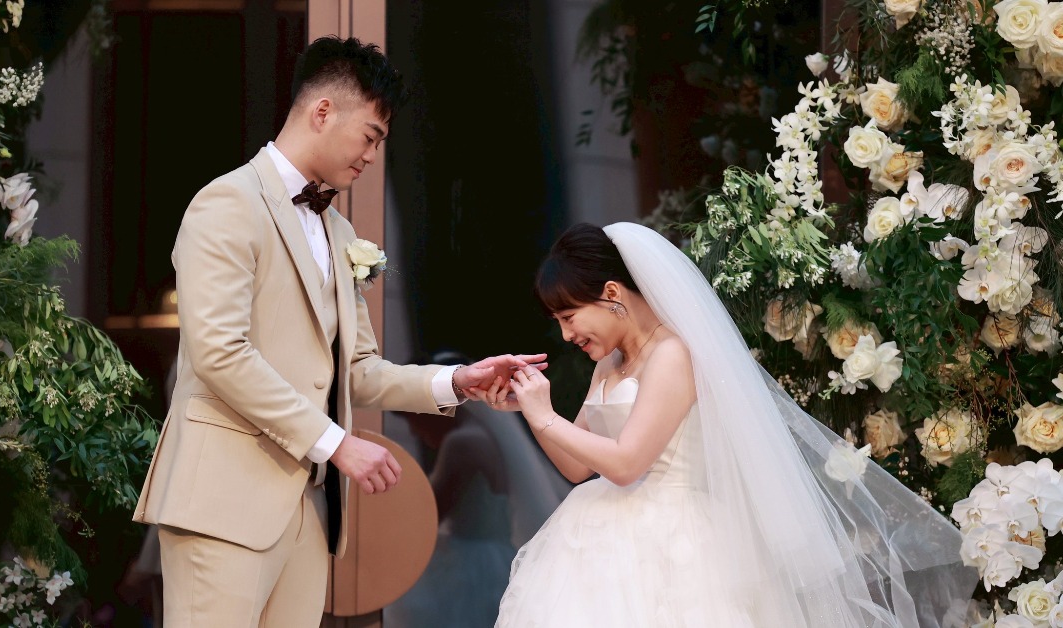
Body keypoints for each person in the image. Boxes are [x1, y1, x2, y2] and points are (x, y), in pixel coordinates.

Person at [131, 36, 544, 628]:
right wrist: (335, 443)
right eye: (370, 135)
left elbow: (357, 369)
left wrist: (457, 381)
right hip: (223, 503)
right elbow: (220, 353)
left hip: (309, 509)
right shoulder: (226, 203)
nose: (373, 155)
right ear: (323, 111)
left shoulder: (342, 234)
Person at [475, 222, 976, 627]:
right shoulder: (609, 363)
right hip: (598, 540)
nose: (566, 335)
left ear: (611, 293)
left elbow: (627, 464)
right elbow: (576, 467)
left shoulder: (672, 355)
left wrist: (545, 416)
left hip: (676, 542)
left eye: (569, 316)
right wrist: (531, 413)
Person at [386, 352, 571, 628]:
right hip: (496, 556)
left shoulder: (463, 444)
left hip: (469, 565)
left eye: (413, 419)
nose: (414, 431)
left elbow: (431, 512)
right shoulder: (483, 436)